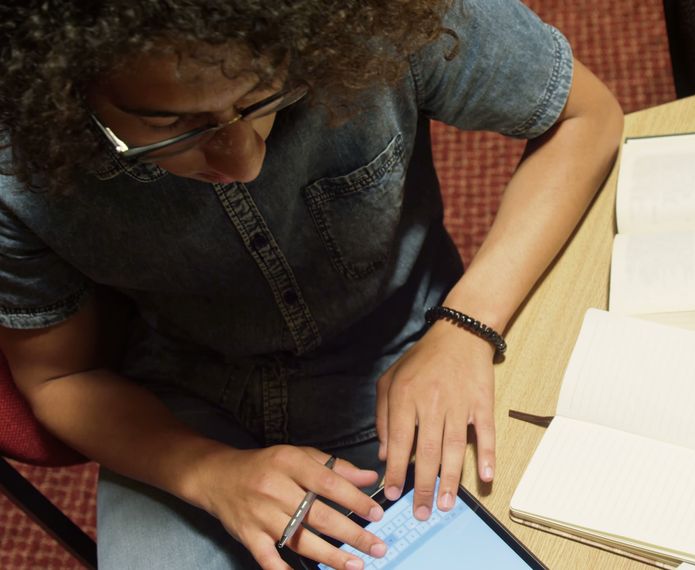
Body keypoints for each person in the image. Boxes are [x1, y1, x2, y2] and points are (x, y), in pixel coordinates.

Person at [0, 0, 622, 568]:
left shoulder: (369, 16)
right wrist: (205, 472)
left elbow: (585, 116)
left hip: (412, 346)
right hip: (186, 405)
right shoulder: (14, 162)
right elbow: (57, 378)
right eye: (175, 125)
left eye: (263, 95)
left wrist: (466, 326)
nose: (243, 160)